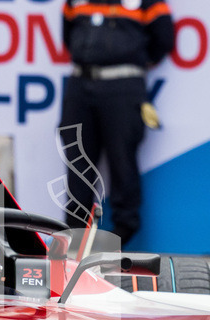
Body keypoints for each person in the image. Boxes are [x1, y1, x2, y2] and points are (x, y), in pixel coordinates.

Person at [59, 0, 174, 247]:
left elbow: (163, 40)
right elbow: (68, 35)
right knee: (77, 161)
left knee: (122, 159)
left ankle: (122, 233)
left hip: (123, 87)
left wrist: (127, 58)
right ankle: (76, 237)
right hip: (80, 84)